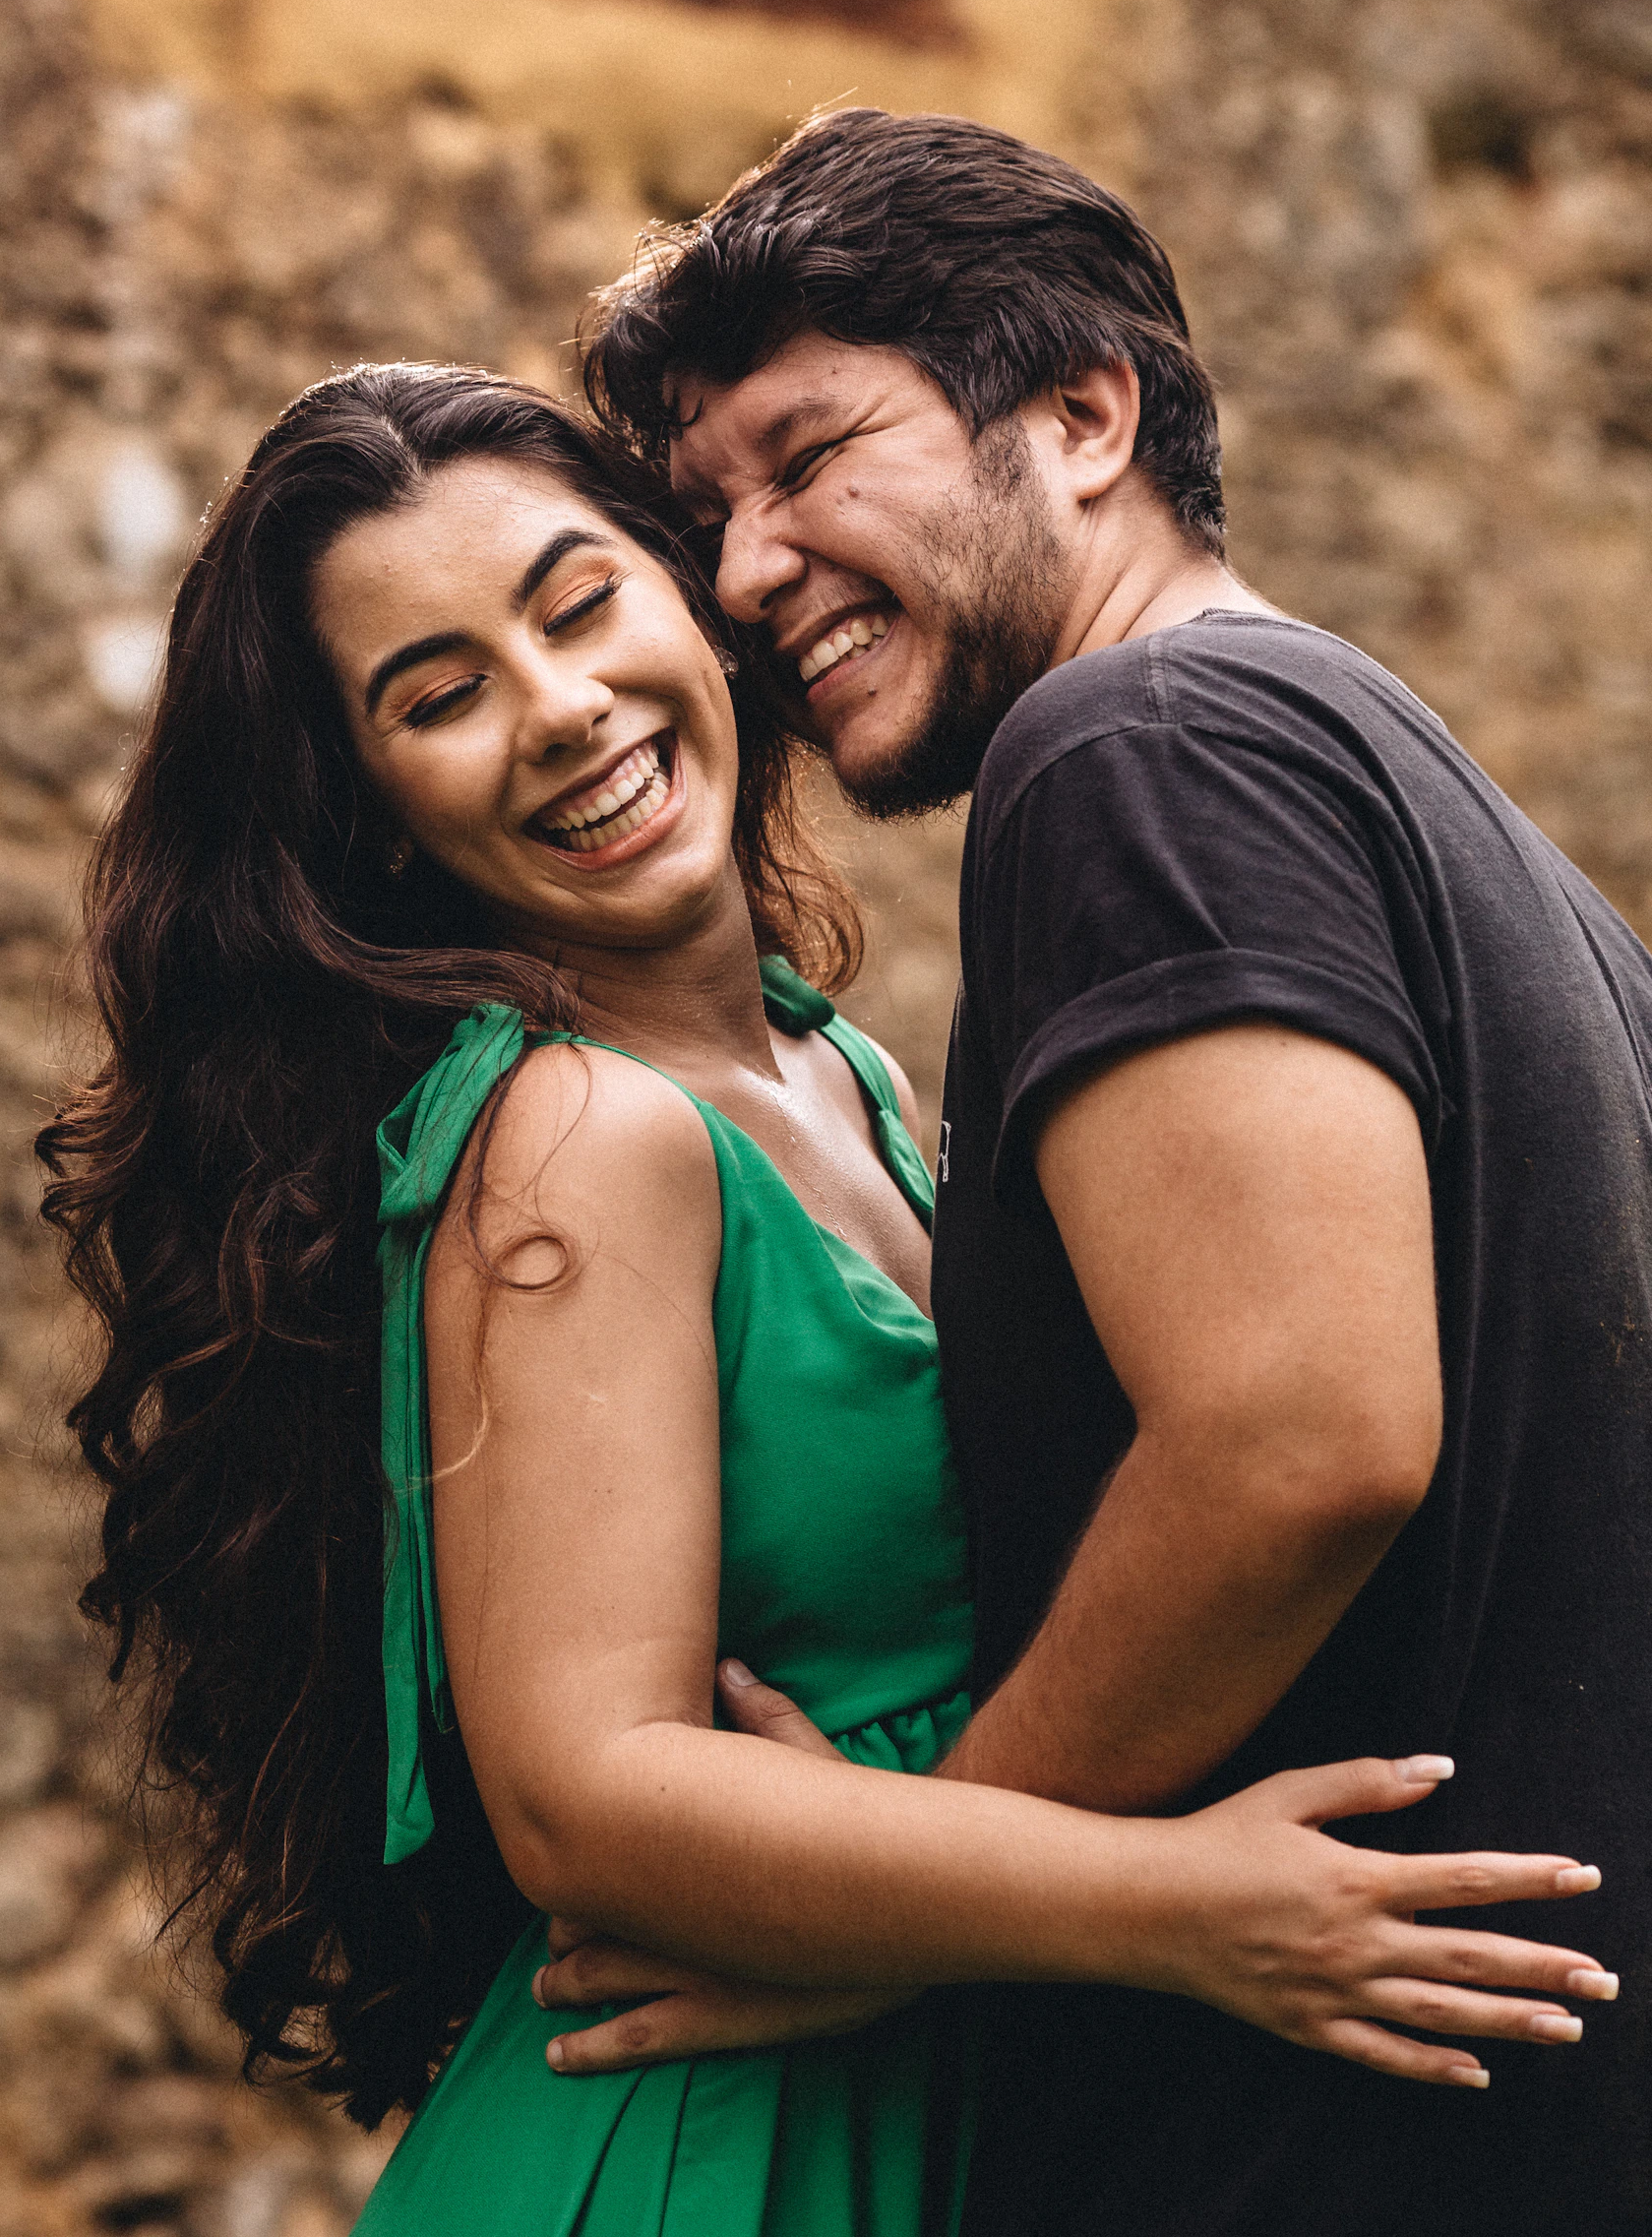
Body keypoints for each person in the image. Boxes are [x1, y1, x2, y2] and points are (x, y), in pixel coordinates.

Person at [37, 363, 1610, 2237]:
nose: (560, 711)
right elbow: (589, 1799)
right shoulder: (574, 1134)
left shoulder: (837, 1071)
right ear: (375, 819)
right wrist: (1187, 1907)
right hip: (716, 2145)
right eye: (439, 697)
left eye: (581, 602)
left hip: (913, 2075)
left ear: (696, 610)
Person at [574, 107, 1652, 2237]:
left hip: (1327, 2147)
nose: (741, 577)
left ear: (1083, 415)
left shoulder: (1132, 751)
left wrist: (916, 1896)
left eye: (805, 462)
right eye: (710, 513)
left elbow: (1299, 1432)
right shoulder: (1470, 834)